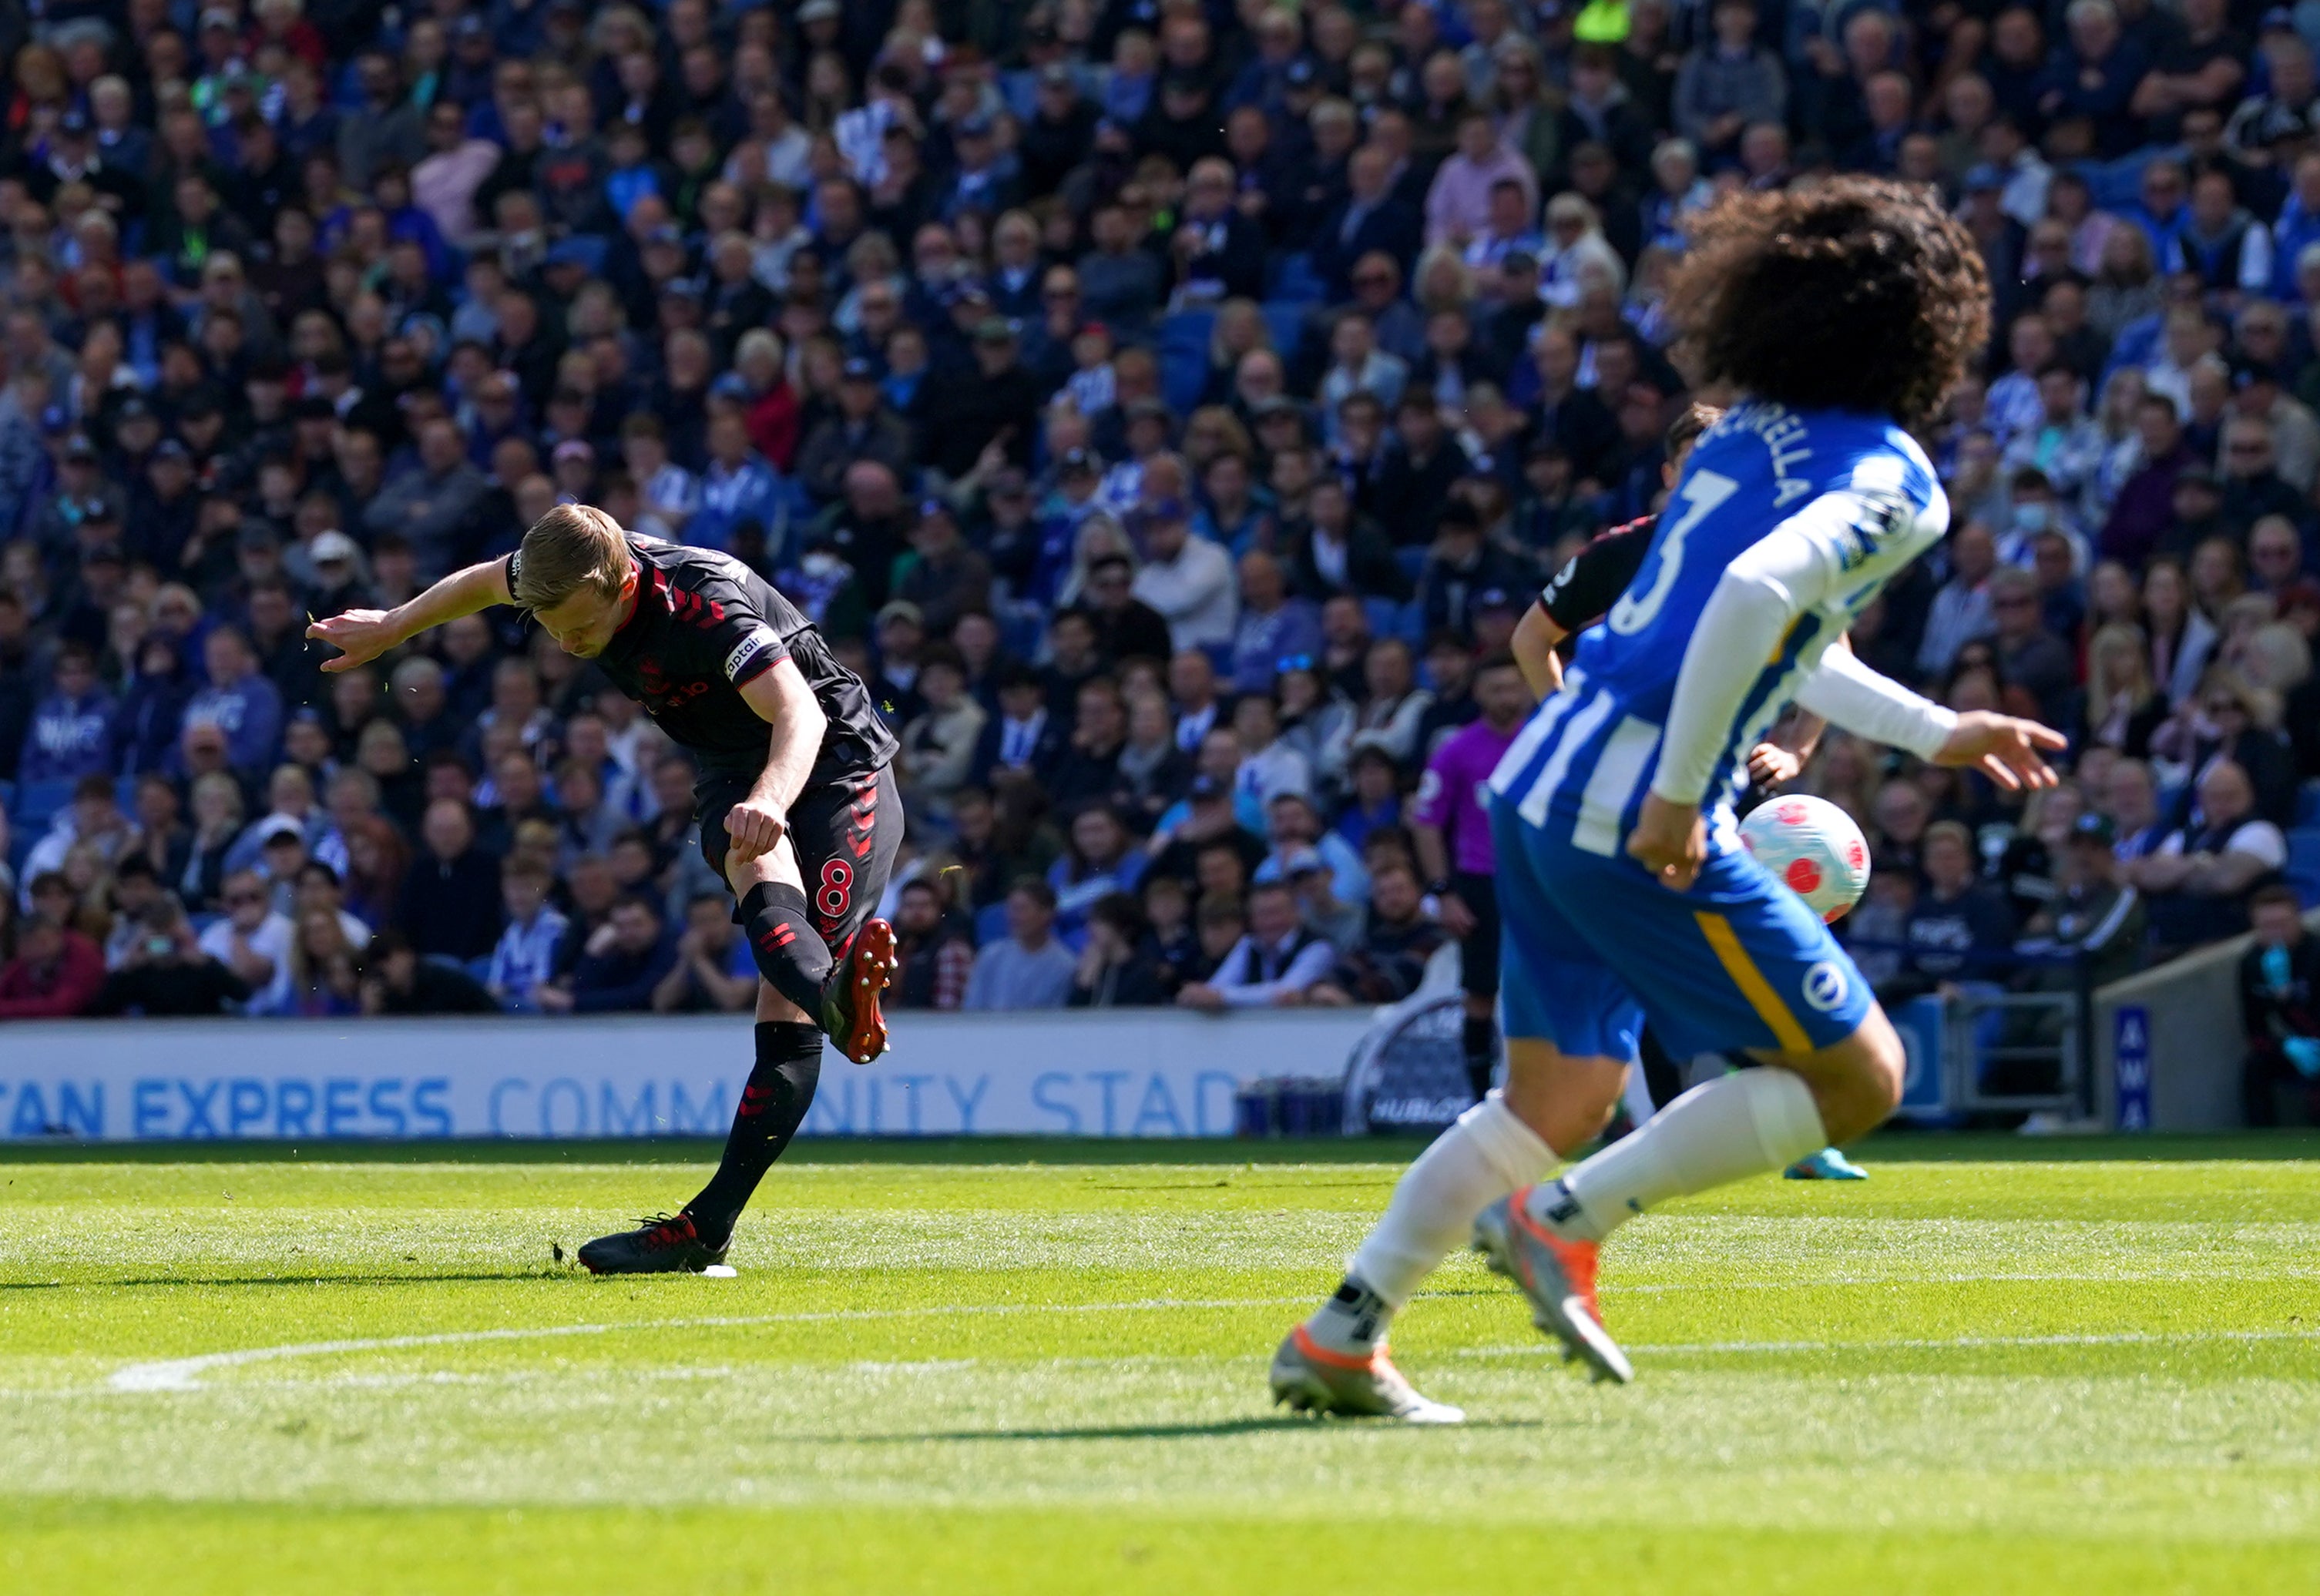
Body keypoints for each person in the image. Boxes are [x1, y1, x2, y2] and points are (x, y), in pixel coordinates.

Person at [1274, 179, 2063, 1420]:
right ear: (1931, 330)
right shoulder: (1896, 483)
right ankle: (1563, 1222)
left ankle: (1342, 1331)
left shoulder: (1743, 435)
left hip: (1536, 786)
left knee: (1551, 1099)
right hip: (1634, 805)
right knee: (1858, 1077)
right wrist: (1683, 793)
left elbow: (1781, 640)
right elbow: (1755, 603)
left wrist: (1935, 730)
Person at [308, 501, 904, 1275]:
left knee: (780, 991)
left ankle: (711, 1220)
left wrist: (770, 799)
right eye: (554, 630)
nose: (571, 643)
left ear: (624, 578)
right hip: (730, 762)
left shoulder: (706, 604)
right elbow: (486, 581)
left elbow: (799, 713)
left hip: (831, 764)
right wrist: (393, 625)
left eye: (582, 628)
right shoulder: (556, 571)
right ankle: (838, 1007)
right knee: (764, 902)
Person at [1409, 653, 1536, 1101]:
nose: (1506, 697)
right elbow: (1426, 821)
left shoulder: (1543, 742)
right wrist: (1444, 891)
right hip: (1481, 883)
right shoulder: (1457, 751)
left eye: (1512, 687)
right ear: (1479, 693)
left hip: (1539, 883)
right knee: (1480, 995)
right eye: (1495, 688)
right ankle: (1480, 1100)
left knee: (1549, 990)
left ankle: (1549, 1098)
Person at [2241, 884, 2320, 1125]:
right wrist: (2286, 1045)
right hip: (2292, 1046)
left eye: (2282, 924)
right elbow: (2254, 1026)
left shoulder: (2315, 953)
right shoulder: (2252, 963)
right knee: (2255, 1067)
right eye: (2267, 926)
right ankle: (2260, 1142)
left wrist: (2291, 998)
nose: (2276, 932)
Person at [962, 877, 1079, 1010]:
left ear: (1047, 914)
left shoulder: (1065, 965)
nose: (1014, 916)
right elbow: (972, 1008)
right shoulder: (990, 956)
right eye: (1012, 908)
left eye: (1022, 909)